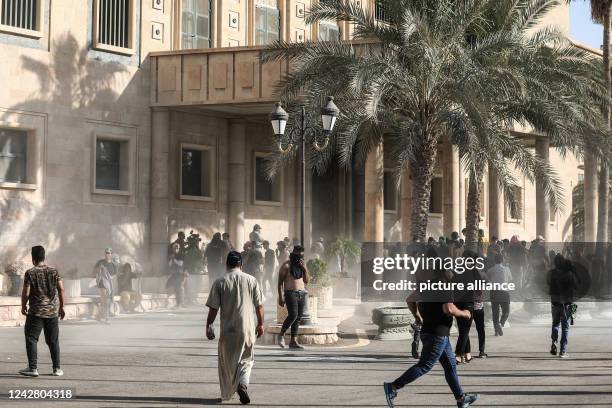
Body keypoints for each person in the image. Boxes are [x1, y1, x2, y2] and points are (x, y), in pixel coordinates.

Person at [383, 248, 479, 408]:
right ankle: (393, 386)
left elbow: (409, 299)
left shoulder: (429, 284)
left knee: (450, 366)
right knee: (425, 365)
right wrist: (465, 314)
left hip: (433, 332)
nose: (453, 273)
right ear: (444, 270)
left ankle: (461, 399)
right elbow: (448, 309)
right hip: (437, 334)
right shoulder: (444, 285)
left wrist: (417, 317)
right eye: (451, 270)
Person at [206, 251, 264, 404]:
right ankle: (243, 384)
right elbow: (259, 306)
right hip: (247, 329)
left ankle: (227, 393)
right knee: (246, 360)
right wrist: (261, 324)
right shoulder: (252, 280)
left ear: (226, 264)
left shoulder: (220, 281)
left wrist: (209, 325)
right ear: (241, 264)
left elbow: (213, 308)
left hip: (228, 330)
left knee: (227, 362)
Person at [19, 246, 65, 377]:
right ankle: (57, 369)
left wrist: (23, 306)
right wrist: (62, 307)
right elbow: (61, 289)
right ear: (44, 257)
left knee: (31, 338)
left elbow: (26, 293)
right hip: (52, 312)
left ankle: (33, 368)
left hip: (36, 312)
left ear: (33, 258)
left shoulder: (30, 273)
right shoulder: (54, 272)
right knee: (53, 340)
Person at [276, 245, 310, 350]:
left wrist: (304, 269)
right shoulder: (286, 265)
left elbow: (306, 281)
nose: (299, 257)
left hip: (302, 293)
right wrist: (281, 297)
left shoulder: (302, 265)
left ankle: (293, 341)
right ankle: (281, 334)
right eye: (298, 254)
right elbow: (280, 283)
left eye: (301, 255)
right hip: (290, 293)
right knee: (293, 315)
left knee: (298, 317)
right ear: (293, 253)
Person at [547, 255, 580, 358]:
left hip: (555, 302)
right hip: (566, 303)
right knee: (565, 327)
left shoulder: (552, 273)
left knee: (555, 324)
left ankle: (554, 342)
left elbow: (549, 284)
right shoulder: (569, 274)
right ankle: (562, 351)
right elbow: (577, 285)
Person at [453, 250, 478, 364]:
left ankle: (467, 354)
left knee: (463, 329)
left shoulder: (456, 268)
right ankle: (458, 355)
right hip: (468, 303)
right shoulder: (473, 270)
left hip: (457, 302)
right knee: (464, 330)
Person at [486, 253, 513, 336]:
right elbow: (510, 279)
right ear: (503, 260)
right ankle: (500, 325)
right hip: (504, 292)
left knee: (495, 312)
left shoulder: (490, 270)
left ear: (495, 260)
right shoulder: (507, 269)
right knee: (506, 311)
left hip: (494, 292)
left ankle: (496, 331)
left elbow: (487, 278)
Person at [94, 248, 117, 323]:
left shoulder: (113, 264)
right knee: (105, 300)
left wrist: (109, 277)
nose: (107, 254)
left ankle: (99, 316)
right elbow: (94, 270)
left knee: (107, 301)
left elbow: (114, 275)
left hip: (109, 284)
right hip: (101, 283)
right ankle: (107, 318)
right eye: (106, 253)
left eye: (109, 253)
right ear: (104, 254)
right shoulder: (101, 262)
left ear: (111, 254)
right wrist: (99, 269)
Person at [167, 242, 187, 308]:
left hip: (181, 274)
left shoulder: (181, 255)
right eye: (174, 248)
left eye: (177, 247)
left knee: (180, 288)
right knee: (176, 289)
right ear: (172, 249)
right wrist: (171, 259)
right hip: (174, 274)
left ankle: (182, 303)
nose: (175, 249)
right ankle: (178, 303)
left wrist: (173, 259)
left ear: (179, 248)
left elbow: (180, 264)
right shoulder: (172, 255)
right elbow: (169, 265)